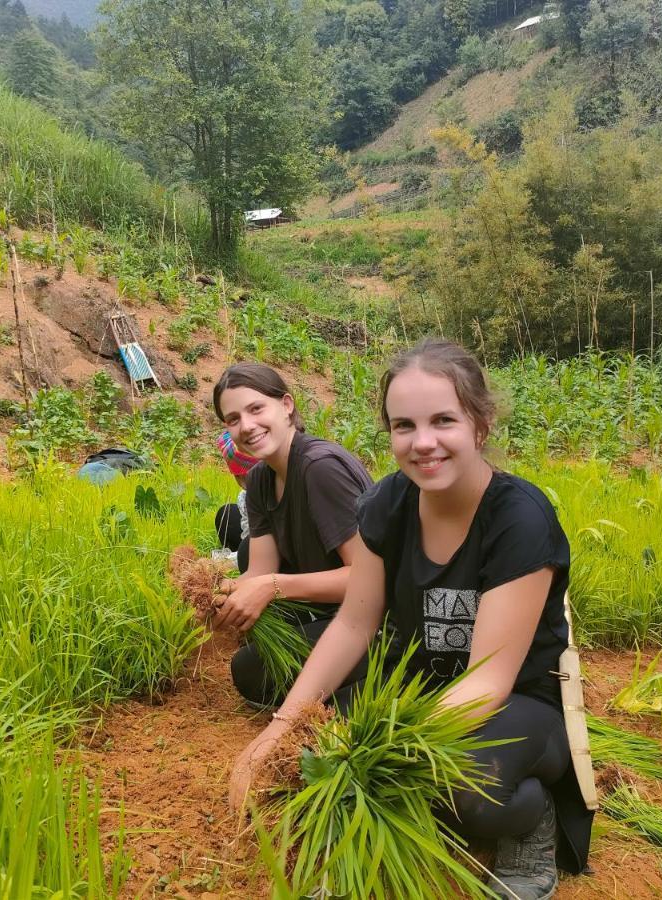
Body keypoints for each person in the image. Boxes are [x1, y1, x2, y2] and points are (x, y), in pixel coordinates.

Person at [229, 340, 592, 900]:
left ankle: (533, 817)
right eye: (404, 426)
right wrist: (283, 726)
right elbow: (354, 625)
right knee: (315, 756)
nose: (423, 443)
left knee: (465, 793)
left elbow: (489, 680)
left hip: (513, 704)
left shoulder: (520, 518)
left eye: (443, 420)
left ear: (481, 422)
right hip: (417, 687)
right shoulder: (387, 504)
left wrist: (389, 747)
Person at [211, 363, 374, 707]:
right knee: (251, 615)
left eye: (256, 409)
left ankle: (374, 681)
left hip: (375, 617)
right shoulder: (259, 480)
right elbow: (258, 571)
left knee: (251, 669)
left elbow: (369, 579)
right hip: (327, 606)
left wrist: (271, 586)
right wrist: (218, 593)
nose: (247, 426)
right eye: (233, 419)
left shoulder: (320, 467)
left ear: (286, 405)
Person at [213, 431, 260, 572]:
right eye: (240, 479)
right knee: (226, 514)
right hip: (256, 542)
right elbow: (248, 537)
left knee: (248, 553)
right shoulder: (245, 497)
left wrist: (226, 563)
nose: (243, 484)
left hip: (277, 552)